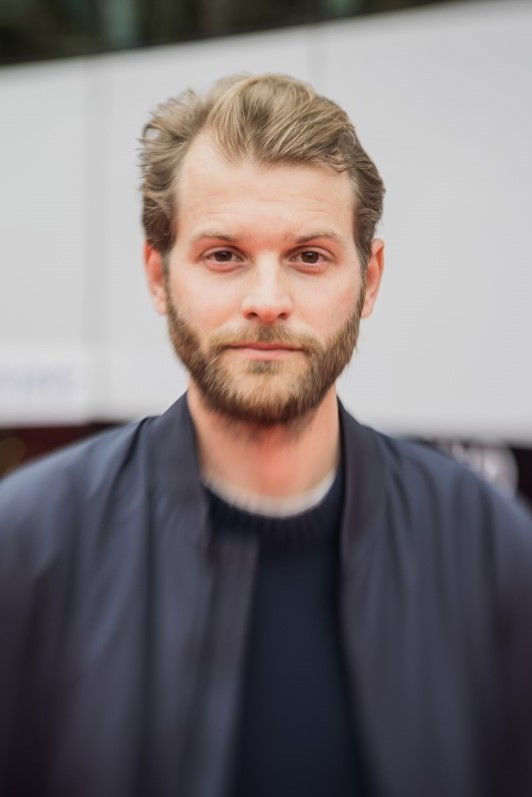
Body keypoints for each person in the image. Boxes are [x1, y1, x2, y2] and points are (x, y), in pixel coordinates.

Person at [1, 73, 532, 797]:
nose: (268, 300)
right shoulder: (28, 545)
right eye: (224, 254)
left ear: (370, 278)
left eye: (309, 255)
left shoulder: (490, 546)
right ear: (157, 275)